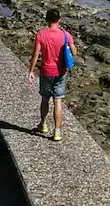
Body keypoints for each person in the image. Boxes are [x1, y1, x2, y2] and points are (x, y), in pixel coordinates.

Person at [26, 8, 77, 142]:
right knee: (58, 100)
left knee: (45, 99)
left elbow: (36, 54)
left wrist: (31, 71)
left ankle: (43, 125)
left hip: (46, 71)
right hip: (61, 72)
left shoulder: (41, 34)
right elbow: (74, 52)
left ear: (46, 20)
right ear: (59, 20)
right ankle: (57, 132)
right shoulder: (66, 35)